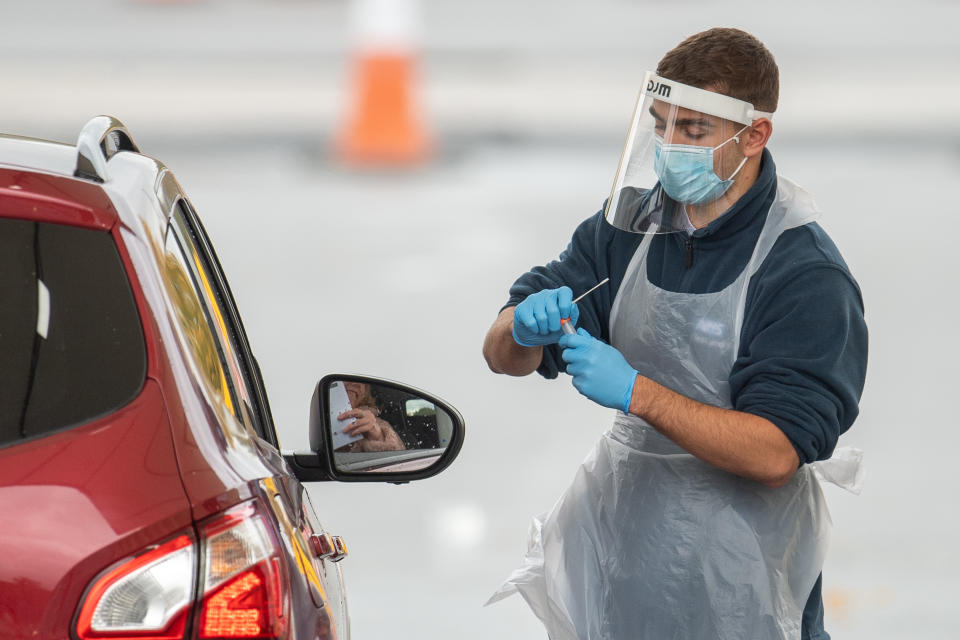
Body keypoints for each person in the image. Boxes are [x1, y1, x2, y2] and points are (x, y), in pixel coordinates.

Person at [482, 28, 867, 640]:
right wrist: (520, 328)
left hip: (744, 576)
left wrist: (639, 393)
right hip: (623, 557)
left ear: (755, 134)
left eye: (692, 131)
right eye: (660, 124)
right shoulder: (630, 226)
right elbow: (503, 354)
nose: (668, 145)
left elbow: (775, 453)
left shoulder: (803, 272)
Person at [337, 381, 405, 452]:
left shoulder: (377, 424)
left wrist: (378, 437)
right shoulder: (323, 417)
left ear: (365, 393)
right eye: (348, 378)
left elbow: (399, 455)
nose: (356, 384)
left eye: (363, 383)